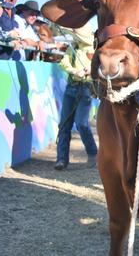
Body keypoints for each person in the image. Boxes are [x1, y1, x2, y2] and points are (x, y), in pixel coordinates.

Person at [54, 25, 98, 171]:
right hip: (71, 86)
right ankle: (61, 159)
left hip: (86, 88)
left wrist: (90, 71)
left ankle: (93, 153)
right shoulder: (72, 47)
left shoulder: (96, 47)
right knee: (64, 124)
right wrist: (75, 71)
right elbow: (63, 63)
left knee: (81, 123)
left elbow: (100, 67)